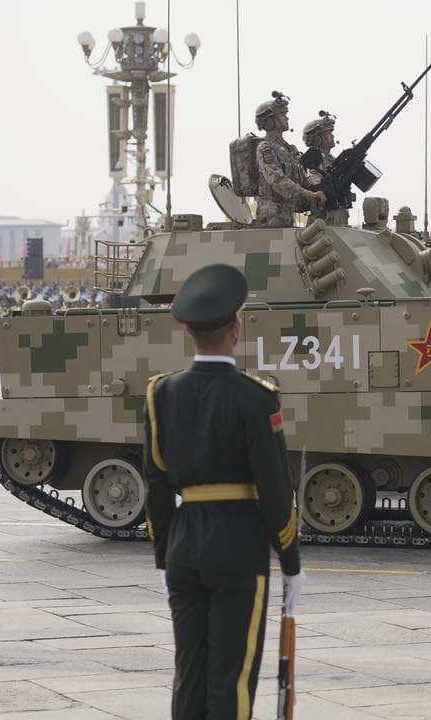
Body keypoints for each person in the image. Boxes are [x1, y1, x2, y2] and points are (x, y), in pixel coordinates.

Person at [143, 263, 304, 720]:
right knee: (231, 677)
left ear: (189, 332)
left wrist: (163, 554)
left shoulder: (161, 393)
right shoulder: (256, 397)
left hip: (183, 547)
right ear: (235, 329)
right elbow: (275, 490)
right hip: (238, 547)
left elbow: (155, 483)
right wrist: (290, 562)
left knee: (188, 673)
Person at [252, 92, 325, 227]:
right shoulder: (265, 147)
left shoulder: (291, 149)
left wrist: (319, 187)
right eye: (282, 114)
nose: (287, 117)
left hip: (288, 217)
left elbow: (303, 178)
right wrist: (307, 194)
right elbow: (276, 179)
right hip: (271, 220)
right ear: (269, 121)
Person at [301, 110, 350, 226]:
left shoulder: (334, 160)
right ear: (317, 138)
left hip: (339, 216)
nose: (332, 136)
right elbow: (315, 185)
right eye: (328, 133)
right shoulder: (311, 161)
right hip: (321, 220)